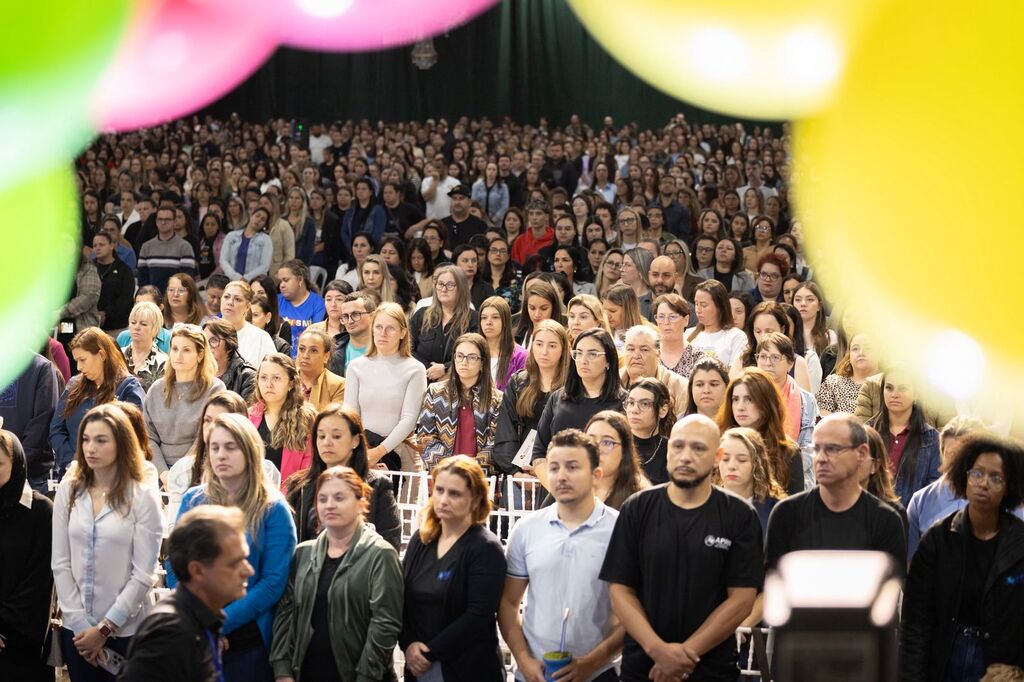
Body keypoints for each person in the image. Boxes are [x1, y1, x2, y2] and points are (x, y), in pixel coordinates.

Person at [600, 414, 764, 681]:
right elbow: (619, 590)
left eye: (698, 448)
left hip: (711, 671)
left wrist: (686, 654)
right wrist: (658, 650)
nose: (685, 456)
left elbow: (742, 600)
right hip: (644, 667)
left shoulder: (740, 516)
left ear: (717, 457)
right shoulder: (637, 509)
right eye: (678, 446)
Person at [167, 413, 296, 682]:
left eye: (230, 447)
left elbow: (273, 582)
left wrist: (219, 624)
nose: (220, 455)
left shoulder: (273, 508)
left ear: (249, 451)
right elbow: (175, 564)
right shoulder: (193, 499)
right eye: (214, 447)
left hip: (249, 639)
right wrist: (198, 619)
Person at [500, 429, 624, 682]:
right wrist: (523, 660)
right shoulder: (526, 529)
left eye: (573, 467)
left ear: (596, 475)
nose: (561, 476)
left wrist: (592, 662)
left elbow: (633, 611)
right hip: (534, 673)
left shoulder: (621, 530)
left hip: (598, 674)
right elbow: (509, 603)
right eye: (554, 468)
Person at [52, 405, 163, 682]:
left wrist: (104, 629)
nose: (91, 448)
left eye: (101, 440)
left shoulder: (142, 496)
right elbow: (60, 562)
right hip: (77, 631)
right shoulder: (69, 489)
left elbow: (143, 574)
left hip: (126, 631)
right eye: (86, 439)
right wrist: (80, 624)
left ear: (122, 443)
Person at [900, 433, 1024, 681]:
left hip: (999, 663)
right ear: (964, 476)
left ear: (1008, 486)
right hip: (944, 655)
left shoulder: (1019, 542)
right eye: (977, 473)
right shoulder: (938, 539)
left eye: (996, 478)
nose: (984, 483)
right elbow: (916, 620)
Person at [270, 466, 403, 682]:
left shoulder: (381, 555)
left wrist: (366, 676)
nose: (329, 505)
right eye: (322, 499)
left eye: (339, 498)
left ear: (361, 503)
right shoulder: (303, 554)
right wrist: (282, 670)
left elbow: (385, 625)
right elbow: (285, 614)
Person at [399, 455, 507, 682]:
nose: (443, 500)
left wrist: (429, 652)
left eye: (454, 494)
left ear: (475, 499)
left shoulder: (485, 548)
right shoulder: (421, 540)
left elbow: (477, 616)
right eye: (439, 490)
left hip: (467, 669)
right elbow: (402, 600)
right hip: (418, 666)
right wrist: (408, 644)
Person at [118, 506, 254, 682]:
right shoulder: (171, 635)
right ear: (197, 571)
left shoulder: (201, 620)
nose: (248, 570)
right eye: (235, 563)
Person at [765, 414, 908, 572]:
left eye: (832, 449)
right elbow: (774, 581)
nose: (821, 458)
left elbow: (891, 584)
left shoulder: (886, 520)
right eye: (816, 449)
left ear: (861, 453)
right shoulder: (786, 514)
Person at [283, 404, 400, 548]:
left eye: (336, 436)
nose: (327, 442)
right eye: (321, 436)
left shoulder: (378, 485)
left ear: (355, 440)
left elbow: (389, 545)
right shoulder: (299, 486)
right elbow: (286, 542)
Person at [532, 329, 627, 492]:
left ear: (608, 361)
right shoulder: (558, 398)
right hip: (557, 492)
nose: (583, 360)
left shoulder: (623, 403)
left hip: (605, 494)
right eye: (579, 353)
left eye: (592, 354)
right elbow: (539, 453)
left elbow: (627, 457)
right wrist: (558, 489)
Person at [50, 328, 145, 477]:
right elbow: (56, 430)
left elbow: (132, 438)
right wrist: (72, 463)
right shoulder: (74, 385)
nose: (79, 367)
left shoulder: (128, 387)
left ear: (101, 355)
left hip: (113, 475)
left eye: (83, 360)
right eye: (76, 361)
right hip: (73, 472)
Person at [344, 303, 428, 472]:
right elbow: (351, 414)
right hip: (362, 449)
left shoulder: (415, 369)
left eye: (390, 328)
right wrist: (364, 450)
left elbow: (409, 418)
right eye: (379, 327)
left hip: (402, 452)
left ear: (403, 333)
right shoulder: (355, 366)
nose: (383, 333)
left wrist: (379, 451)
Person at [905, 417, 1000, 561]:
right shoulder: (920, 502)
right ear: (941, 454)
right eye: (950, 455)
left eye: (964, 455)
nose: (957, 463)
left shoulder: (1004, 500)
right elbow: (911, 563)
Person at [0, 431, 55, 681]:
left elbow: (39, 581)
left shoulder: (40, 511)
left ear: (17, 464)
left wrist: (4, 627)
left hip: (20, 640)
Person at [144, 325, 225, 474]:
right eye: (175, 349)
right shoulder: (156, 389)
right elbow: (149, 437)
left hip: (199, 469)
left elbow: (207, 437)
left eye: (186, 350)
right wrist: (164, 474)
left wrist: (179, 474)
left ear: (200, 355)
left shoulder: (215, 389)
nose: (178, 356)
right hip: (159, 471)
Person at [164, 391, 280, 496]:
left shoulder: (266, 471)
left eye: (220, 421)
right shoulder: (184, 470)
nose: (212, 427)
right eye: (207, 420)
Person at [492, 319, 570, 475]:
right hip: (521, 471)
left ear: (563, 349)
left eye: (552, 346)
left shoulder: (572, 385)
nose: (544, 351)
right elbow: (506, 432)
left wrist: (543, 468)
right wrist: (516, 472)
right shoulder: (518, 382)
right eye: (539, 344)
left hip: (560, 470)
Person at [417, 333, 502, 471]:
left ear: (482, 363)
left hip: (479, 476)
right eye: (460, 356)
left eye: (472, 357)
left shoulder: (497, 399)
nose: (464, 362)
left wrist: (471, 470)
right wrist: (450, 469)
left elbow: (496, 444)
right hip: (442, 475)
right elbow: (425, 438)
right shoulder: (435, 392)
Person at [718, 367, 808, 495]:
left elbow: (796, 503)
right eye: (735, 399)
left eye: (749, 399)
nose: (740, 407)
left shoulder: (788, 451)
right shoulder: (719, 444)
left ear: (766, 402)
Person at [867, 367, 941, 507]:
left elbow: (934, 490)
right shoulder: (867, 432)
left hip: (911, 516)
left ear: (916, 395)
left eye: (903, 388)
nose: (894, 394)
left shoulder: (932, 439)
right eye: (889, 388)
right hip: (871, 514)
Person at [248, 353, 314, 485]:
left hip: (291, 494)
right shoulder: (247, 417)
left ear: (291, 384)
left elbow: (308, 472)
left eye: (276, 378)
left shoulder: (307, 420)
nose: (269, 384)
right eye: (263, 378)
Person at [411, 265, 479, 382]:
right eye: (440, 284)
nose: (444, 289)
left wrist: (446, 368)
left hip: (458, 383)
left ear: (461, 288)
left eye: (450, 285)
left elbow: (476, 353)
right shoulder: (421, 315)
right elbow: (407, 348)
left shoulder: (473, 318)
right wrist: (429, 370)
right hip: (421, 380)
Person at [754, 332, 819, 449]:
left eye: (775, 357)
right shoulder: (747, 394)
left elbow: (809, 447)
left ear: (790, 363)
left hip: (794, 458)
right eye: (763, 357)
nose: (768, 363)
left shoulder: (806, 400)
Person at [714, 427, 786, 531]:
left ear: (757, 464)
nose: (731, 466)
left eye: (742, 460)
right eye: (725, 459)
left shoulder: (777, 511)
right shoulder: (702, 506)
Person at [585, 410, 650, 510]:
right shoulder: (571, 485)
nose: (597, 449)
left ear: (624, 450)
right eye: (590, 440)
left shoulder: (641, 498)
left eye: (607, 443)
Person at [620, 325, 688, 418]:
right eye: (630, 349)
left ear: (658, 354)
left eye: (644, 350)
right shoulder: (611, 382)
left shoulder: (680, 387)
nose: (636, 355)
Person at [625, 377, 675, 485]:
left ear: (663, 410)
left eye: (644, 404)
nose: (634, 410)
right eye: (631, 403)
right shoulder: (617, 444)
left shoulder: (673, 451)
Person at [687, 280, 747, 368]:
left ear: (719, 306)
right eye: (696, 304)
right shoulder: (688, 334)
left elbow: (735, 372)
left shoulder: (737, 336)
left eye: (703, 305)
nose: (698, 310)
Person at [815, 333, 879, 416]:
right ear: (849, 354)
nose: (861, 353)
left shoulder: (887, 384)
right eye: (855, 349)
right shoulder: (833, 383)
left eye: (868, 348)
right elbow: (822, 413)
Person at [219, 280, 278, 367]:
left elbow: (272, 370)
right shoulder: (206, 332)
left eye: (237, 299)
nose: (230, 302)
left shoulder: (261, 337)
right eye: (226, 297)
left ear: (247, 306)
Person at [277, 260, 327, 357]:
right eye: (280, 281)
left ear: (300, 280)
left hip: (306, 358)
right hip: (280, 358)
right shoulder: (276, 301)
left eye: (286, 280)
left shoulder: (319, 304)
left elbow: (316, 337)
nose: (281, 285)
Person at [478, 296, 528, 391]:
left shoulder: (521, 356)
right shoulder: (473, 352)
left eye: (495, 317)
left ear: (505, 321)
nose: (488, 322)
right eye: (484, 318)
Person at [202, 319, 256, 400]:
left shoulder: (247, 376)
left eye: (214, 340)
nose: (207, 346)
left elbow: (245, 407)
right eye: (204, 341)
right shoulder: (196, 371)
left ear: (229, 346)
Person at [91, 230, 134, 331]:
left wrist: (106, 313)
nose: (97, 248)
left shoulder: (124, 270)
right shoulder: (88, 268)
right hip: (90, 325)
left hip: (117, 327)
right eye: (94, 245)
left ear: (112, 246)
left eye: (101, 245)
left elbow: (126, 298)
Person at [295, 329, 345, 411]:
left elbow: (334, 417)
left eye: (313, 350)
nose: (305, 356)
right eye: (302, 349)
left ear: (326, 356)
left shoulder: (339, 385)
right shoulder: (287, 378)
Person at [220, 206, 273, 281]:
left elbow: (265, 266)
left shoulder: (266, 240)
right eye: (257, 216)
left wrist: (247, 278)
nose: (259, 220)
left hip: (254, 282)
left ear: (264, 225)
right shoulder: (231, 236)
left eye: (263, 219)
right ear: (251, 216)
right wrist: (235, 277)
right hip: (231, 281)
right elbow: (223, 260)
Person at [326, 292, 373, 376]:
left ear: (372, 316)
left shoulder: (387, 348)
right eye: (345, 316)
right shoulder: (332, 350)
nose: (350, 321)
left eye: (355, 314)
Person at [115, 287, 172, 354]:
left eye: (148, 305)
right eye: (138, 304)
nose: (142, 308)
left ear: (160, 308)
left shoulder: (169, 338)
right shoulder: (123, 337)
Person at [513, 279, 562, 348]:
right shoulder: (516, 335)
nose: (537, 314)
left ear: (553, 308)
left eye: (544, 308)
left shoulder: (563, 337)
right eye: (532, 308)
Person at [443, 184, 489, 250]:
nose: (457, 202)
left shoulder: (480, 225)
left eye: (461, 198)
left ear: (469, 202)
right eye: (454, 198)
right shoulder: (442, 224)